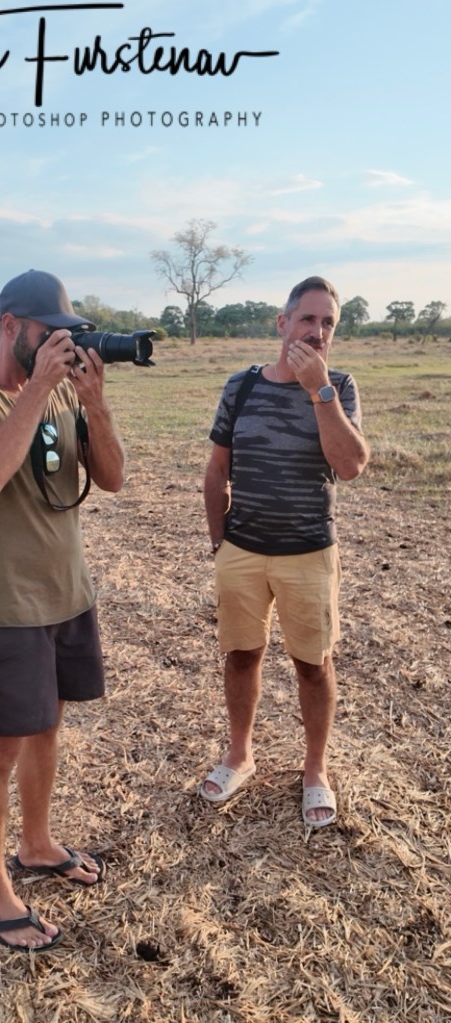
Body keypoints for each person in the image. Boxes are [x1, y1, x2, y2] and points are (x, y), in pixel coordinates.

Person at [0, 269, 125, 951]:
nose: (60, 349)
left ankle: (37, 843)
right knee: (3, 742)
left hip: (66, 589)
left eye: (66, 338)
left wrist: (92, 403)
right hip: (6, 600)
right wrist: (38, 386)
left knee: (48, 725)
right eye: (49, 336)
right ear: (11, 324)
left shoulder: (64, 391)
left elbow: (114, 477)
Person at [199, 276, 369, 827]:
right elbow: (217, 467)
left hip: (308, 552)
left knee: (313, 666)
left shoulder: (338, 387)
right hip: (242, 550)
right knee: (242, 655)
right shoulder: (241, 386)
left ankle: (315, 769)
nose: (317, 333)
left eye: (327, 324)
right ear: (282, 322)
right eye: (307, 320)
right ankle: (239, 755)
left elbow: (350, 464)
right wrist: (219, 541)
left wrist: (318, 390)